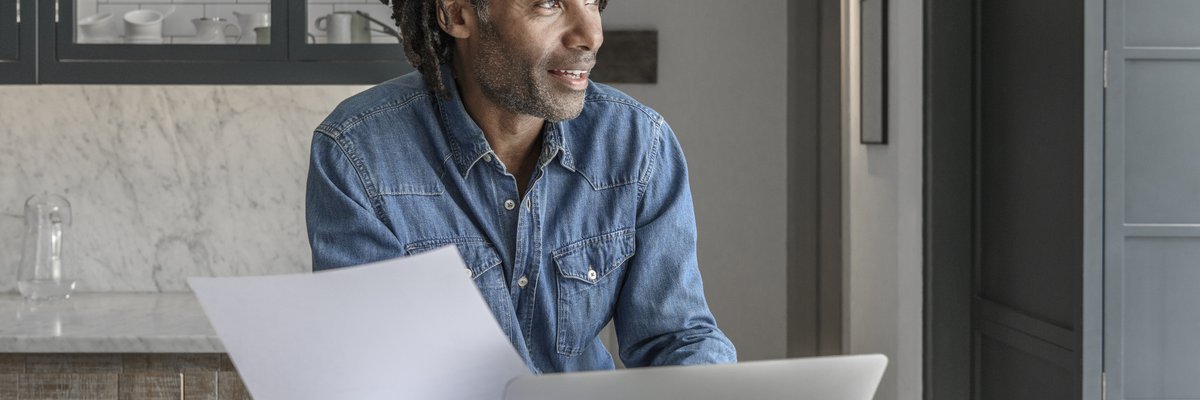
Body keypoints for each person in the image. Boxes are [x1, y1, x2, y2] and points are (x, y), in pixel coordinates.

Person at [305, 0, 736, 373]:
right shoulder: (358, 152)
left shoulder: (638, 143)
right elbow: (371, 365)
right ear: (457, 14)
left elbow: (675, 337)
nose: (591, 36)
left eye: (593, 1)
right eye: (548, 3)